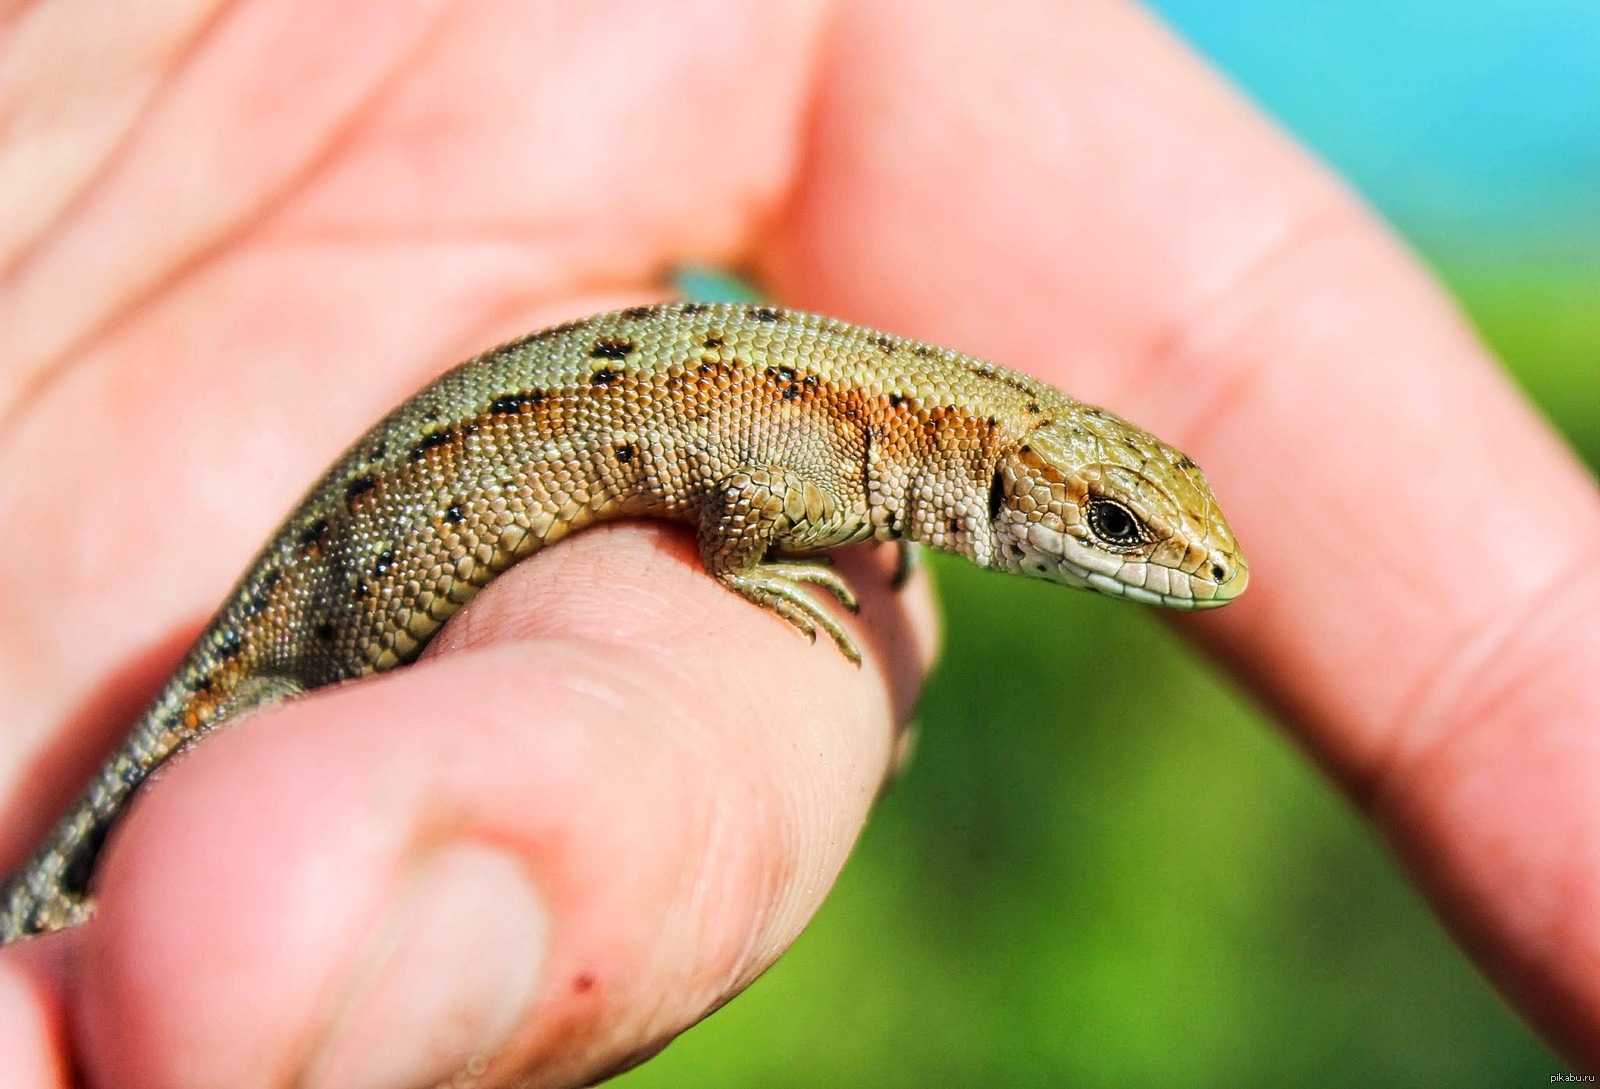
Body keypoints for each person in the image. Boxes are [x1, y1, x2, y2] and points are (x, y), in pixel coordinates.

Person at [2, 1, 1595, 1084]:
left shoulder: (882, 449)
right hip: (356, 562)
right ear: (1010, 484)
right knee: (154, 833)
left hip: (385, 528)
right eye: (1112, 526)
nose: (1140, 557)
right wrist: (760, 564)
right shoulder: (832, 463)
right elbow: (744, 495)